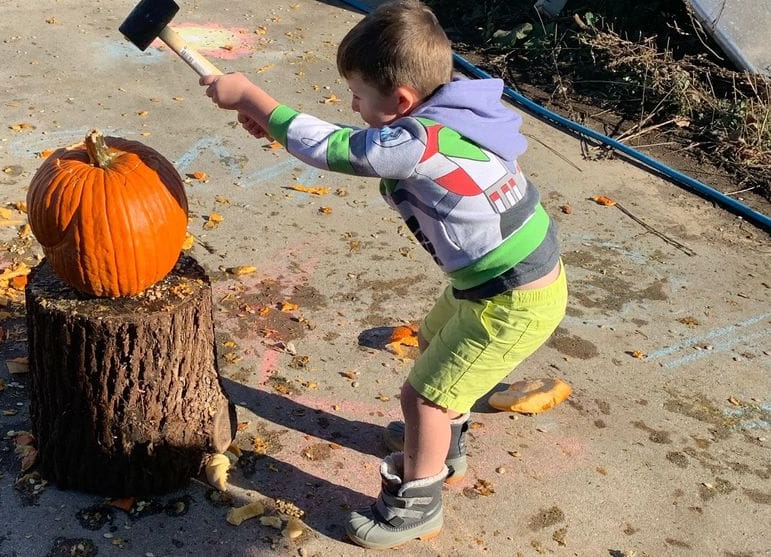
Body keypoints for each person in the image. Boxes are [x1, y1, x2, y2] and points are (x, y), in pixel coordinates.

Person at [200, 0, 568, 550]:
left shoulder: (418, 143)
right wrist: (277, 129)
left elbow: (339, 149)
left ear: (400, 101)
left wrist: (255, 99)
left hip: (511, 300)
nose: (350, 103)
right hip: (500, 283)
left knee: (424, 397)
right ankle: (445, 447)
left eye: (357, 94)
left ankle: (417, 506)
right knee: (433, 344)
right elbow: (361, 142)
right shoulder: (453, 110)